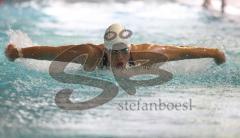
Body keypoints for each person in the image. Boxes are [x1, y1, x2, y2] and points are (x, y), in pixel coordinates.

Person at [5, 23, 226, 72]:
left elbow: (183, 52)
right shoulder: (90, 54)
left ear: (130, 50)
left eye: (124, 50)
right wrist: (19, 53)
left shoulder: (146, 54)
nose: (120, 56)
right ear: (106, 50)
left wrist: (215, 53)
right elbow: (51, 52)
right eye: (114, 51)